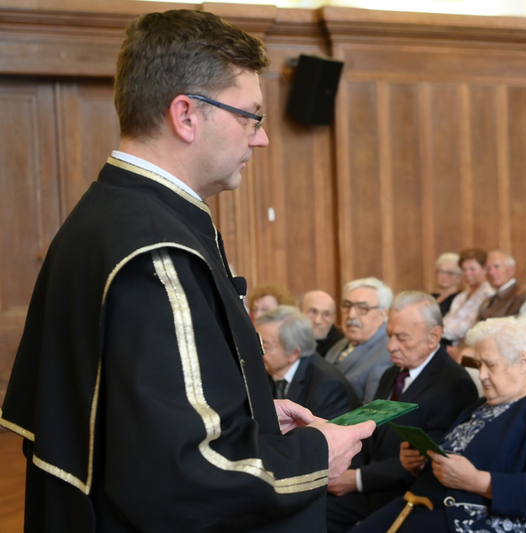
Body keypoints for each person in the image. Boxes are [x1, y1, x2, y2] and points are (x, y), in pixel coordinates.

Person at [0, 10, 374, 532]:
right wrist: (315, 454)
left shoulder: (107, 217)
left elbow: (130, 418)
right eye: (251, 116)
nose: (261, 138)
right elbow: (184, 474)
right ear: (186, 115)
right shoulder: (156, 253)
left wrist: (252, 412)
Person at [349, 317, 526, 533]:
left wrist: (479, 481)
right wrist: (420, 464)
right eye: (479, 365)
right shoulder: (483, 403)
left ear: (523, 361)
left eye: (490, 365)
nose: (482, 375)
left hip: (465, 518)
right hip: (421, 502)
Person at [326, 292, 479, 533]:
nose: (390, 346)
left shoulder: (454, 385)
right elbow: (371, 432)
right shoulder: (393, 373)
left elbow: (429, 460)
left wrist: (358, 479)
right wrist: (343, 469)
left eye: (402, 338)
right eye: (389, 335)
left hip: (403, 496)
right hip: (367, 487)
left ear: (433, 337)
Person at [256, 306, 359, 420]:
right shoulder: (267, 371)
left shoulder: (327, 387)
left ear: (293, 354)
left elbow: (320, 431)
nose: (255, 352)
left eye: (264, 347)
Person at [325, 277, 394, 403]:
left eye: (362, 308)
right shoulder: (338, 345)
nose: (351, 315)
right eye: (347, 306)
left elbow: (372, 411)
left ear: (382, 314)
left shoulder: (388, 352)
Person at [442, 248, 495, 347]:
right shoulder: (461, 295)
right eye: (464, 270)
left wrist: (440, 332)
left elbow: (469, 327)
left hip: (463, 345)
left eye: (472, 269)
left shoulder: (488, 295)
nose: (467, 273)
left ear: (484, 269)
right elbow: (447, 318)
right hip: (444, 338)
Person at [478, 251, 526, 320]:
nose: (491, 272)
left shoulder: (520, 297)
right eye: (488, 268)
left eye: (496, 266)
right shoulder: (493, 298)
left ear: (511, 270)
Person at [300, 289, 345, 357]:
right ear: (299, 312)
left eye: (326, 314)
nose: (318, 321)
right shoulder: (289, 339)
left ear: (333, 318)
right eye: (313, 312)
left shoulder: (341, 347)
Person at [432, 252, 463, 317]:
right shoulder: (432, 297)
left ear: (458, 277)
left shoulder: (459, 299)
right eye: (441, 271)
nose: (444, 276)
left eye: (449, 273)